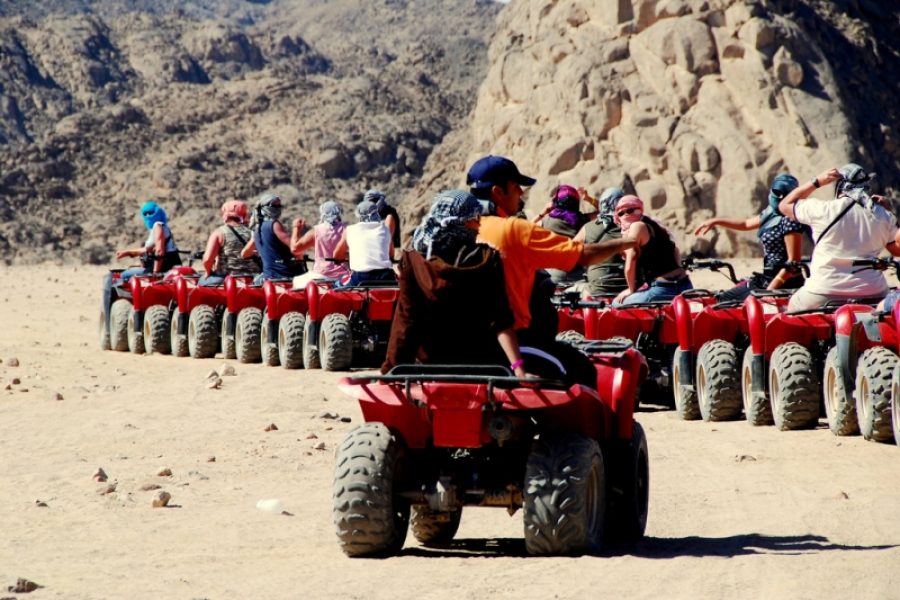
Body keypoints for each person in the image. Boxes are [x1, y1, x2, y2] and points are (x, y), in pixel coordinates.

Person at [466, 155, 637, 386]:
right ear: (498, 192)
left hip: (464, 343)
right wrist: (628, 242)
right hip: (513, 344)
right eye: (516, 186)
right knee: (582, 370)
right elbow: (584, 255)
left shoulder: (460, 227)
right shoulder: (514, 230)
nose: (521, 193)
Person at [382, 189, 528, 377]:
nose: (479, 225)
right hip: (483, 366)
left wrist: (390, 370)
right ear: (462, 221)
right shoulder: (488, 258)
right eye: (475, 218)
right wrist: (519, 369)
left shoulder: (414, 260)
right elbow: (500, 319)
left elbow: (406, 319)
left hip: (429, 367)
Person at [779, 163, 900, 311]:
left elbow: (785, 205)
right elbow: (897, 250)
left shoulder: (823, 209)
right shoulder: (883, 215)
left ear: (840, 186)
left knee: (792, 307)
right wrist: (888, 213)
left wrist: (816, 182)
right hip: (873, 292)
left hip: (824, 290)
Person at [694, 174, 808, 302]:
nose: (779, 196)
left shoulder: (790, 220)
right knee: (724, 298)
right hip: (766, 279)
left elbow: (793, 264)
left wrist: (769, 291)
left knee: (730, 302)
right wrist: (716, 221)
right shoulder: (770, 213)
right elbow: (746, 224)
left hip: (784, 283)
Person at [102, 201, 181, 333]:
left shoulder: (157, 226)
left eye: (151, 213)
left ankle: (110, 325)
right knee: (130, 271)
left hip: (159, 268)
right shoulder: (161, 227)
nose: (149, 216)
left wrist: (155, 272)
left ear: (158, 212)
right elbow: (146, 249)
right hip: (165, 265)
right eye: (146, 213)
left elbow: (159, 251)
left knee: (118, 277)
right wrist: (128, 252)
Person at [612, 194, 694, 306]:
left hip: (663, 290)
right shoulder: (655, 224)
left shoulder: (637, 226)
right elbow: (676, 251)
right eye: (621, 213)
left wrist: (630, 290)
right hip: (685, 284)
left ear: (639, 209)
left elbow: (630, 262)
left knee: (616, 303)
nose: (626, 215)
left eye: (630, 210)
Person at [573, 186, 629, 298]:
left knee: (568, 292)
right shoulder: (634, 227)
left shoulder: (588, 228)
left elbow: (570, 252)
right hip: (628, 289)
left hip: (597, 290)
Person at [530, 184, 591, 284]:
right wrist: (589, 199)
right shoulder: (583, 220)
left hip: (552, 276)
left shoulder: (545, 221)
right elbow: (606, 212)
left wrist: (542, 213)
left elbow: (525, 229)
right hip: (577, 275)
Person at [240, 193, 307, 282]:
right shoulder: (274, 225)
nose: (277, 207)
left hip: (268, 275)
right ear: (264, 207)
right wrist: (296, 229)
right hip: (284, 274)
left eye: (279, 205)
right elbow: (296, 249)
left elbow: (244, 254)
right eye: (274, 205)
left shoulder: (257, 228)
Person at [333, 199, 396, 286]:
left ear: (359, 215)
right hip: (386, 277)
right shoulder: (385, 229)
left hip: (361, 278)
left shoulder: (350, 230)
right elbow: (391, 254)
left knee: (336, 285)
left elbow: (337, 255)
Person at [289, 200, 351, 288]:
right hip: (342, 275)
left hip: (321, 274)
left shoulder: (316, 231)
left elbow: (295, 249)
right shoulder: (347, 230)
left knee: (296, 280)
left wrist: (296, 228)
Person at [199, 200, 260, 286]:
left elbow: (207, 259)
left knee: (201, 281)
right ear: (244, 214)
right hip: (253, 279)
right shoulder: (253, 233)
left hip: (227, 278)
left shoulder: (219, 233)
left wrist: (208, 272)